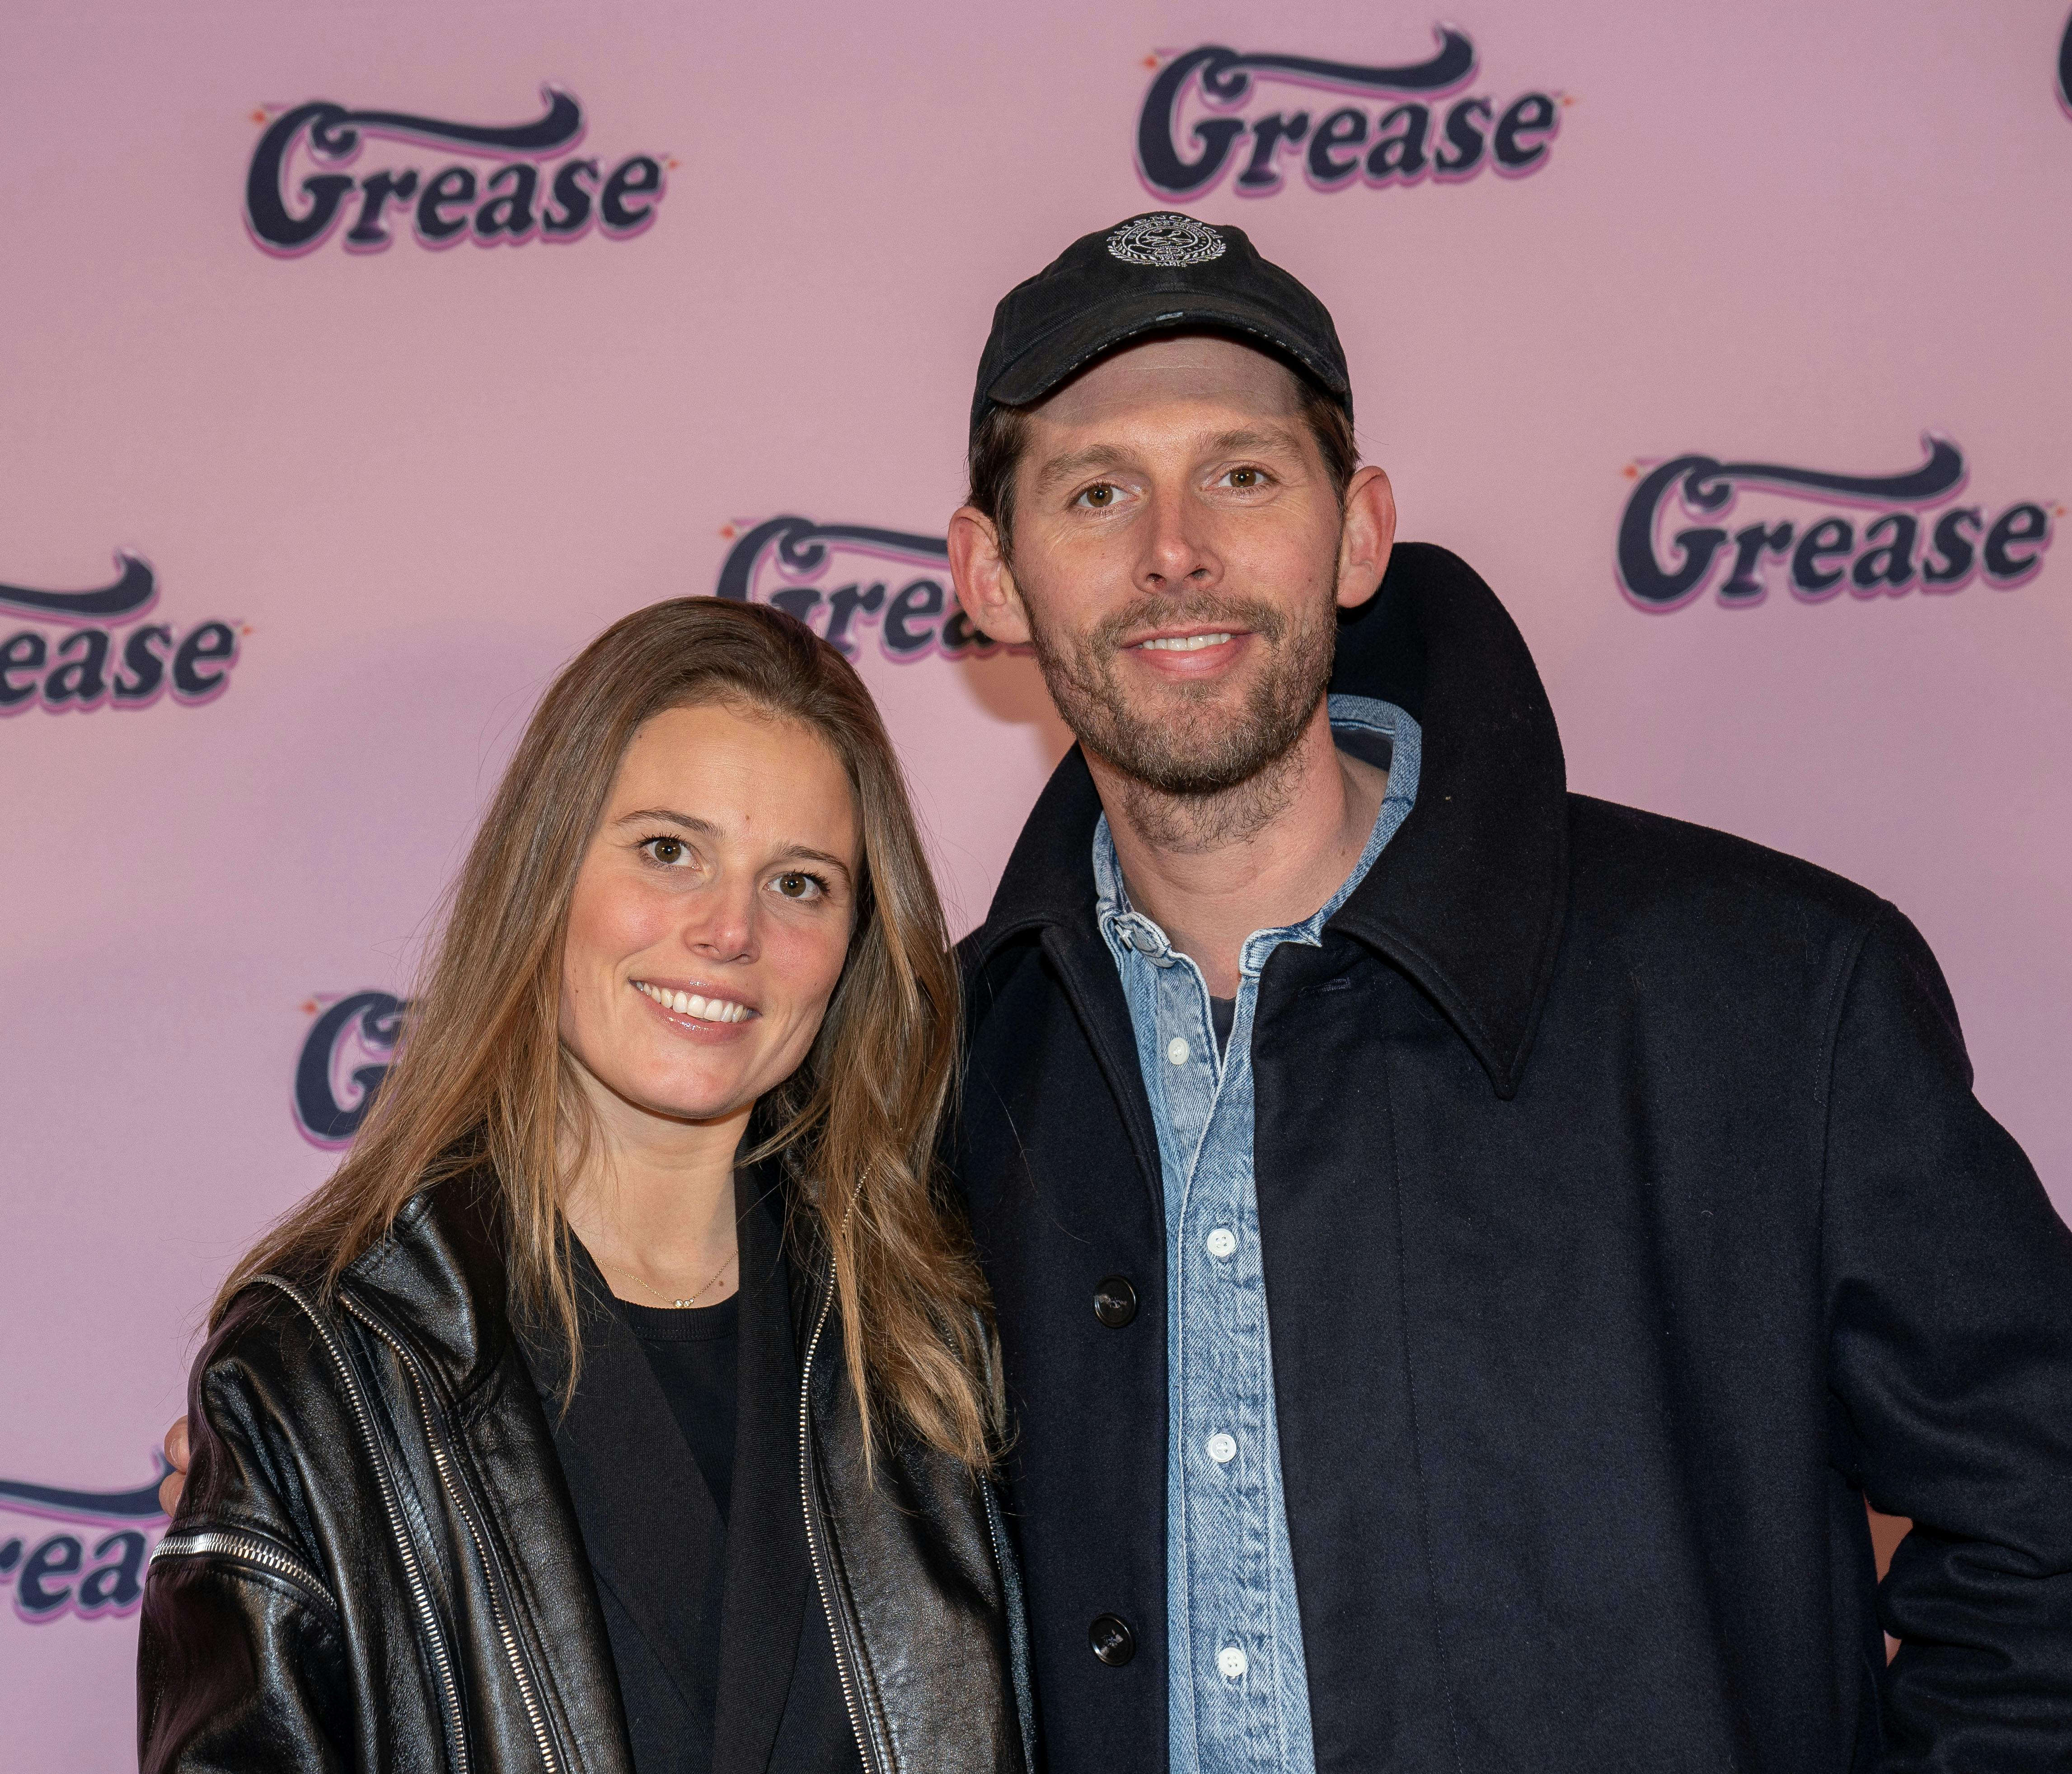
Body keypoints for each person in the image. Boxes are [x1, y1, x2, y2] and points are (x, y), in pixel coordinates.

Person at [937, 216, 2072, 1770]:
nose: (1173, 549)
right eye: (1094, 490)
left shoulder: (1771, 993)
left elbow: (2048, 1533)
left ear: (1355, 530)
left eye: (1244, 474)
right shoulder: (925, 1083)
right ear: (991, 574)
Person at [139, 599, 1034, 1774]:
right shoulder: (329, 1362)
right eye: (669, 850)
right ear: (546, 872)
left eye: (801, 883)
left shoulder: (940, 1339)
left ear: (859, 939)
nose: (728, 930)